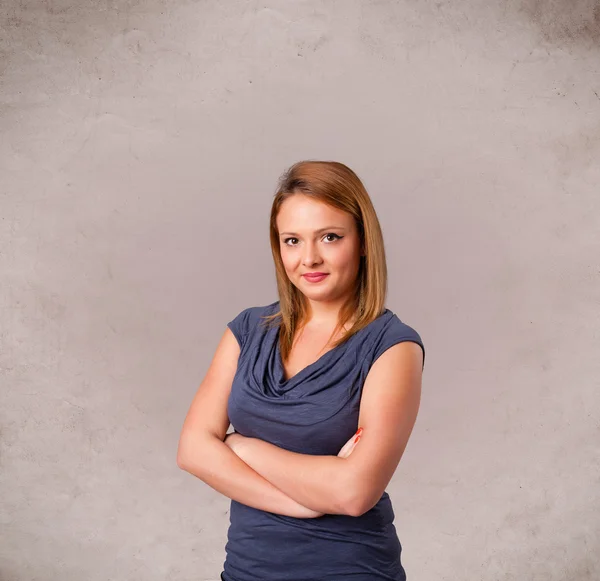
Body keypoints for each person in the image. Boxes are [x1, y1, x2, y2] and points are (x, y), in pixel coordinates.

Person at [177, 160, 425, 581]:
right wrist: (304, 504)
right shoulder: (247, 330)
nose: (309, 258)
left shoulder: (392, 346)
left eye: (330, 237)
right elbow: (192, 450)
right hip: (246, 570)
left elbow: (353, 492)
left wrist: (243, 448)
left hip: (350, 570)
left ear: (363, 241)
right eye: (292, 240)